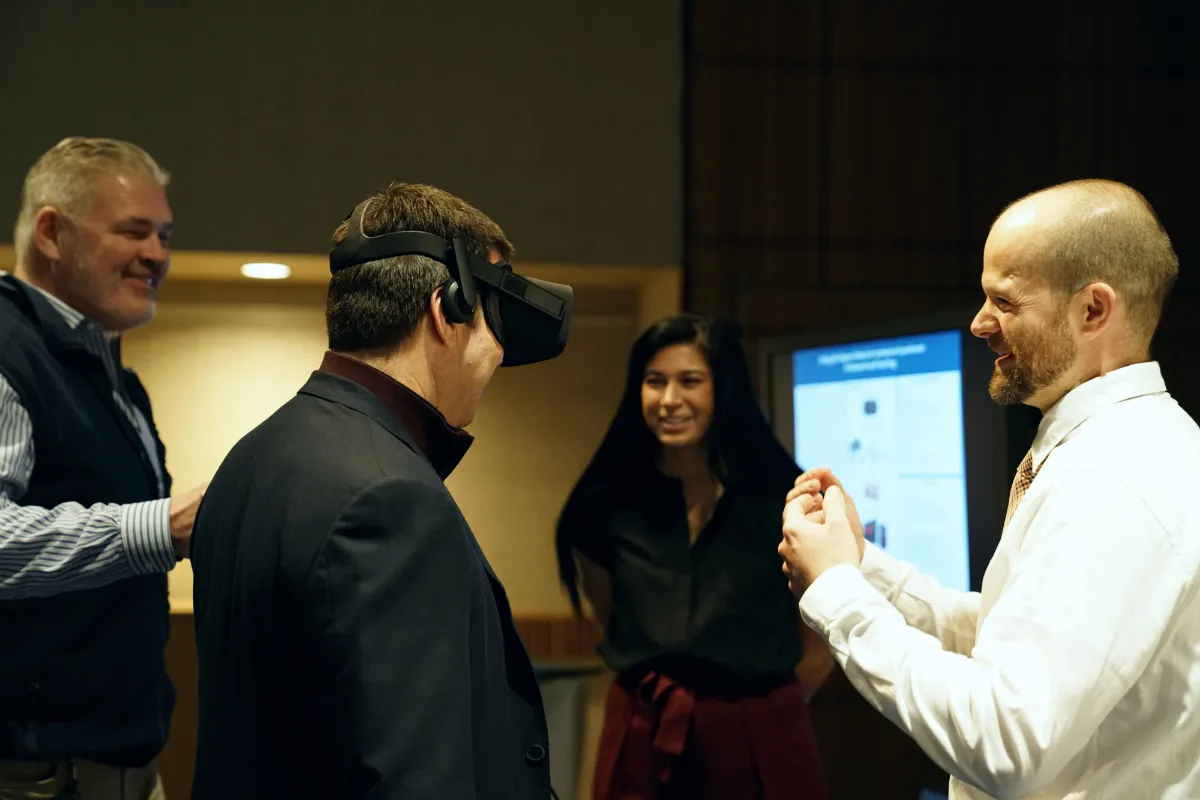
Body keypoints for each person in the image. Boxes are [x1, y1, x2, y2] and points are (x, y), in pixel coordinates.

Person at [779, 179, 1200, 799]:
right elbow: (1027, 637)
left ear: (1093, 310)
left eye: (1005, 302)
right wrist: (864, 568)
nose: (979, 324)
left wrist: (838, 594)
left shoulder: (1112, 476)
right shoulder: (1114, 444)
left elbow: (1007, 741)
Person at [189, 182, 573, 799]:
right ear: (445, 309)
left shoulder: (253, 455)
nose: (501, 352)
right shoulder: (390, 499)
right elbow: (413, 776)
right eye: (496, 318)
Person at [0, 137, 207, 800]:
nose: (158, 255)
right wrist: (163, 528)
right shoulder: (6, 350)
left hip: (121, 770)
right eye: (134, 231)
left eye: (165, 235)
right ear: (52, 232)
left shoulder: (114, 378)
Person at [556, 313, 831, 800]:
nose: (668, 400)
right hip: (643, 724)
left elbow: (817, 645)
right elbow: (612, 617)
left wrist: (761, 711)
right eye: (654, 381)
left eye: (690, 382)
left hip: (760, 728)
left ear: (723, 391)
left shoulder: (782, 501)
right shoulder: (605, 506)